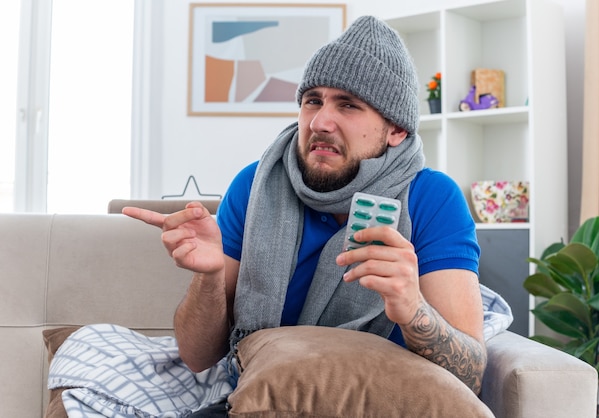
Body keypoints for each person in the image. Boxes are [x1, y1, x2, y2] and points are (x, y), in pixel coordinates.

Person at [124, 15, 487, 397]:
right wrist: (210, 278)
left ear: (395, 129)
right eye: (313, 101)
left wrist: (413, 309)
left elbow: (471, 376)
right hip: (259, 397)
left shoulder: (432, 199)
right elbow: (198, 357)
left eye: (348, 105)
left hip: (377, 401)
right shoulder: (254, 185)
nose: (320, 122)